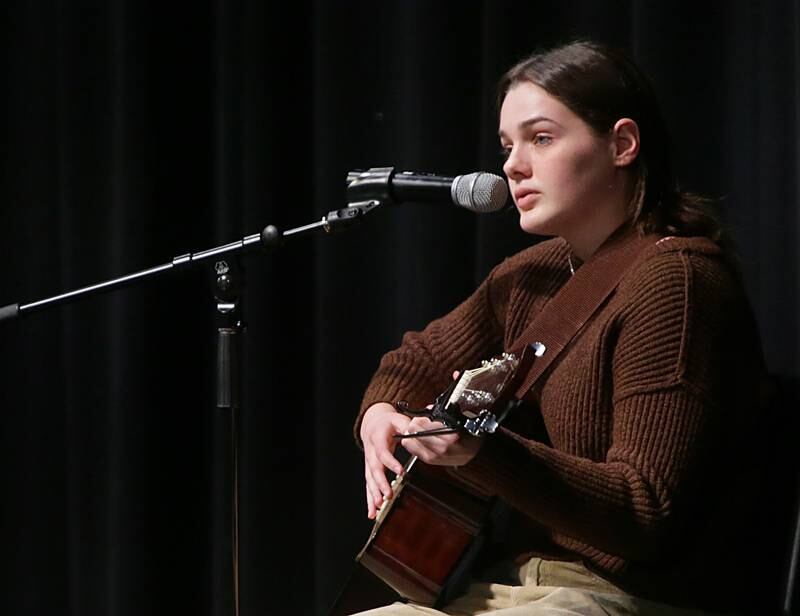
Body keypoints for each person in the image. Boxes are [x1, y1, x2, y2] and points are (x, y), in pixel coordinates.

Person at [353, 40, 770, 615]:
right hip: (511, 587)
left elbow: (645, 512)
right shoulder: (533, 273)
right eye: (507, 146)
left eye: (541, 139)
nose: (512, 165)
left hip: (627, 598)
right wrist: (379, 414)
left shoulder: (678, 281)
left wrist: (483, 452)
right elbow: (411, 363)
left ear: (622, 144)